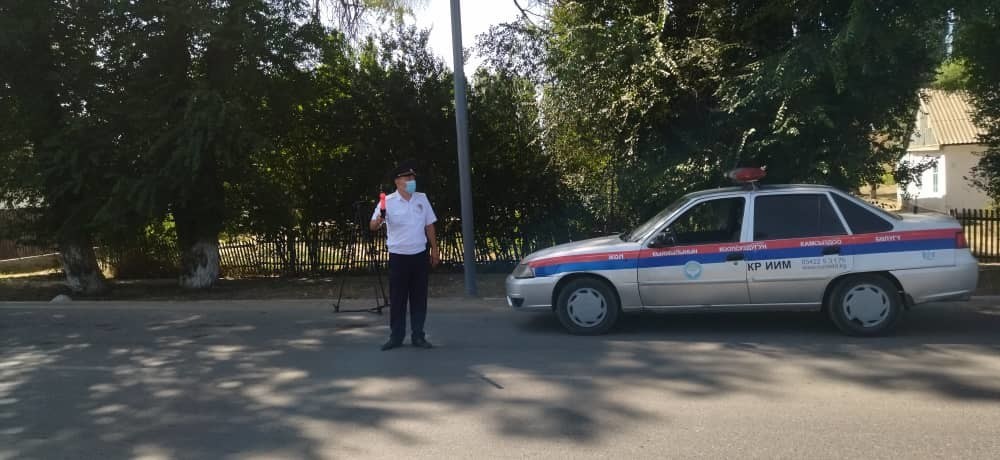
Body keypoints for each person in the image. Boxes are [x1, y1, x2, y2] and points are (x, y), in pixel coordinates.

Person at [370, 162, 440, 350]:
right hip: (399, 257)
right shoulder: (388, 202)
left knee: (419, 298)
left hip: (419, 255)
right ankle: (396, 336)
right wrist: (379, 220)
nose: (411, 180)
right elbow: (372, 226)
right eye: (407, 177)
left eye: (413, 177)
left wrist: (434, 249)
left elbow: (429, 225)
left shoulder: (421, 198)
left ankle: (418, 335)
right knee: (398, 299)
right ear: (397, 181)